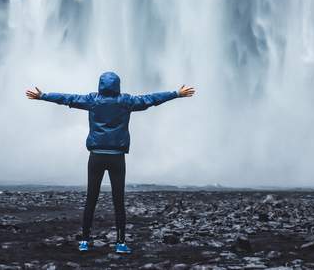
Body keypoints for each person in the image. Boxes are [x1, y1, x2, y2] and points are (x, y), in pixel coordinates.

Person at [26, 71, 195, 254]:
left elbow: (68, 98)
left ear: (100, 85)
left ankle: (84, 241)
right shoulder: (126, 101)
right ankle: (121, 243)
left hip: (96, 156)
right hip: (117, 157)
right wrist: (176, 94)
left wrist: (43, 96)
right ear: (118, 85)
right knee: (118, 201)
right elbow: (151, 99)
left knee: (91, 199)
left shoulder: (92, 100)